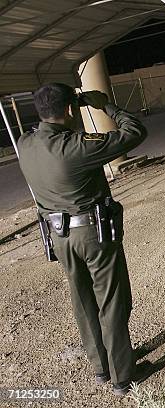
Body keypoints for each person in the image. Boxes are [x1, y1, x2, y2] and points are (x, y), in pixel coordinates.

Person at [17, 83, 147, 396]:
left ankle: (101, 368)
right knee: (111, 300)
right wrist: (105, 106)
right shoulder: (78, 145)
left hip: (57, 236)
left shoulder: (25, 143)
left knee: (83, 300)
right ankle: (122, 376)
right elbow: (135, 131)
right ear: (70, 110)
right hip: (92, 233)